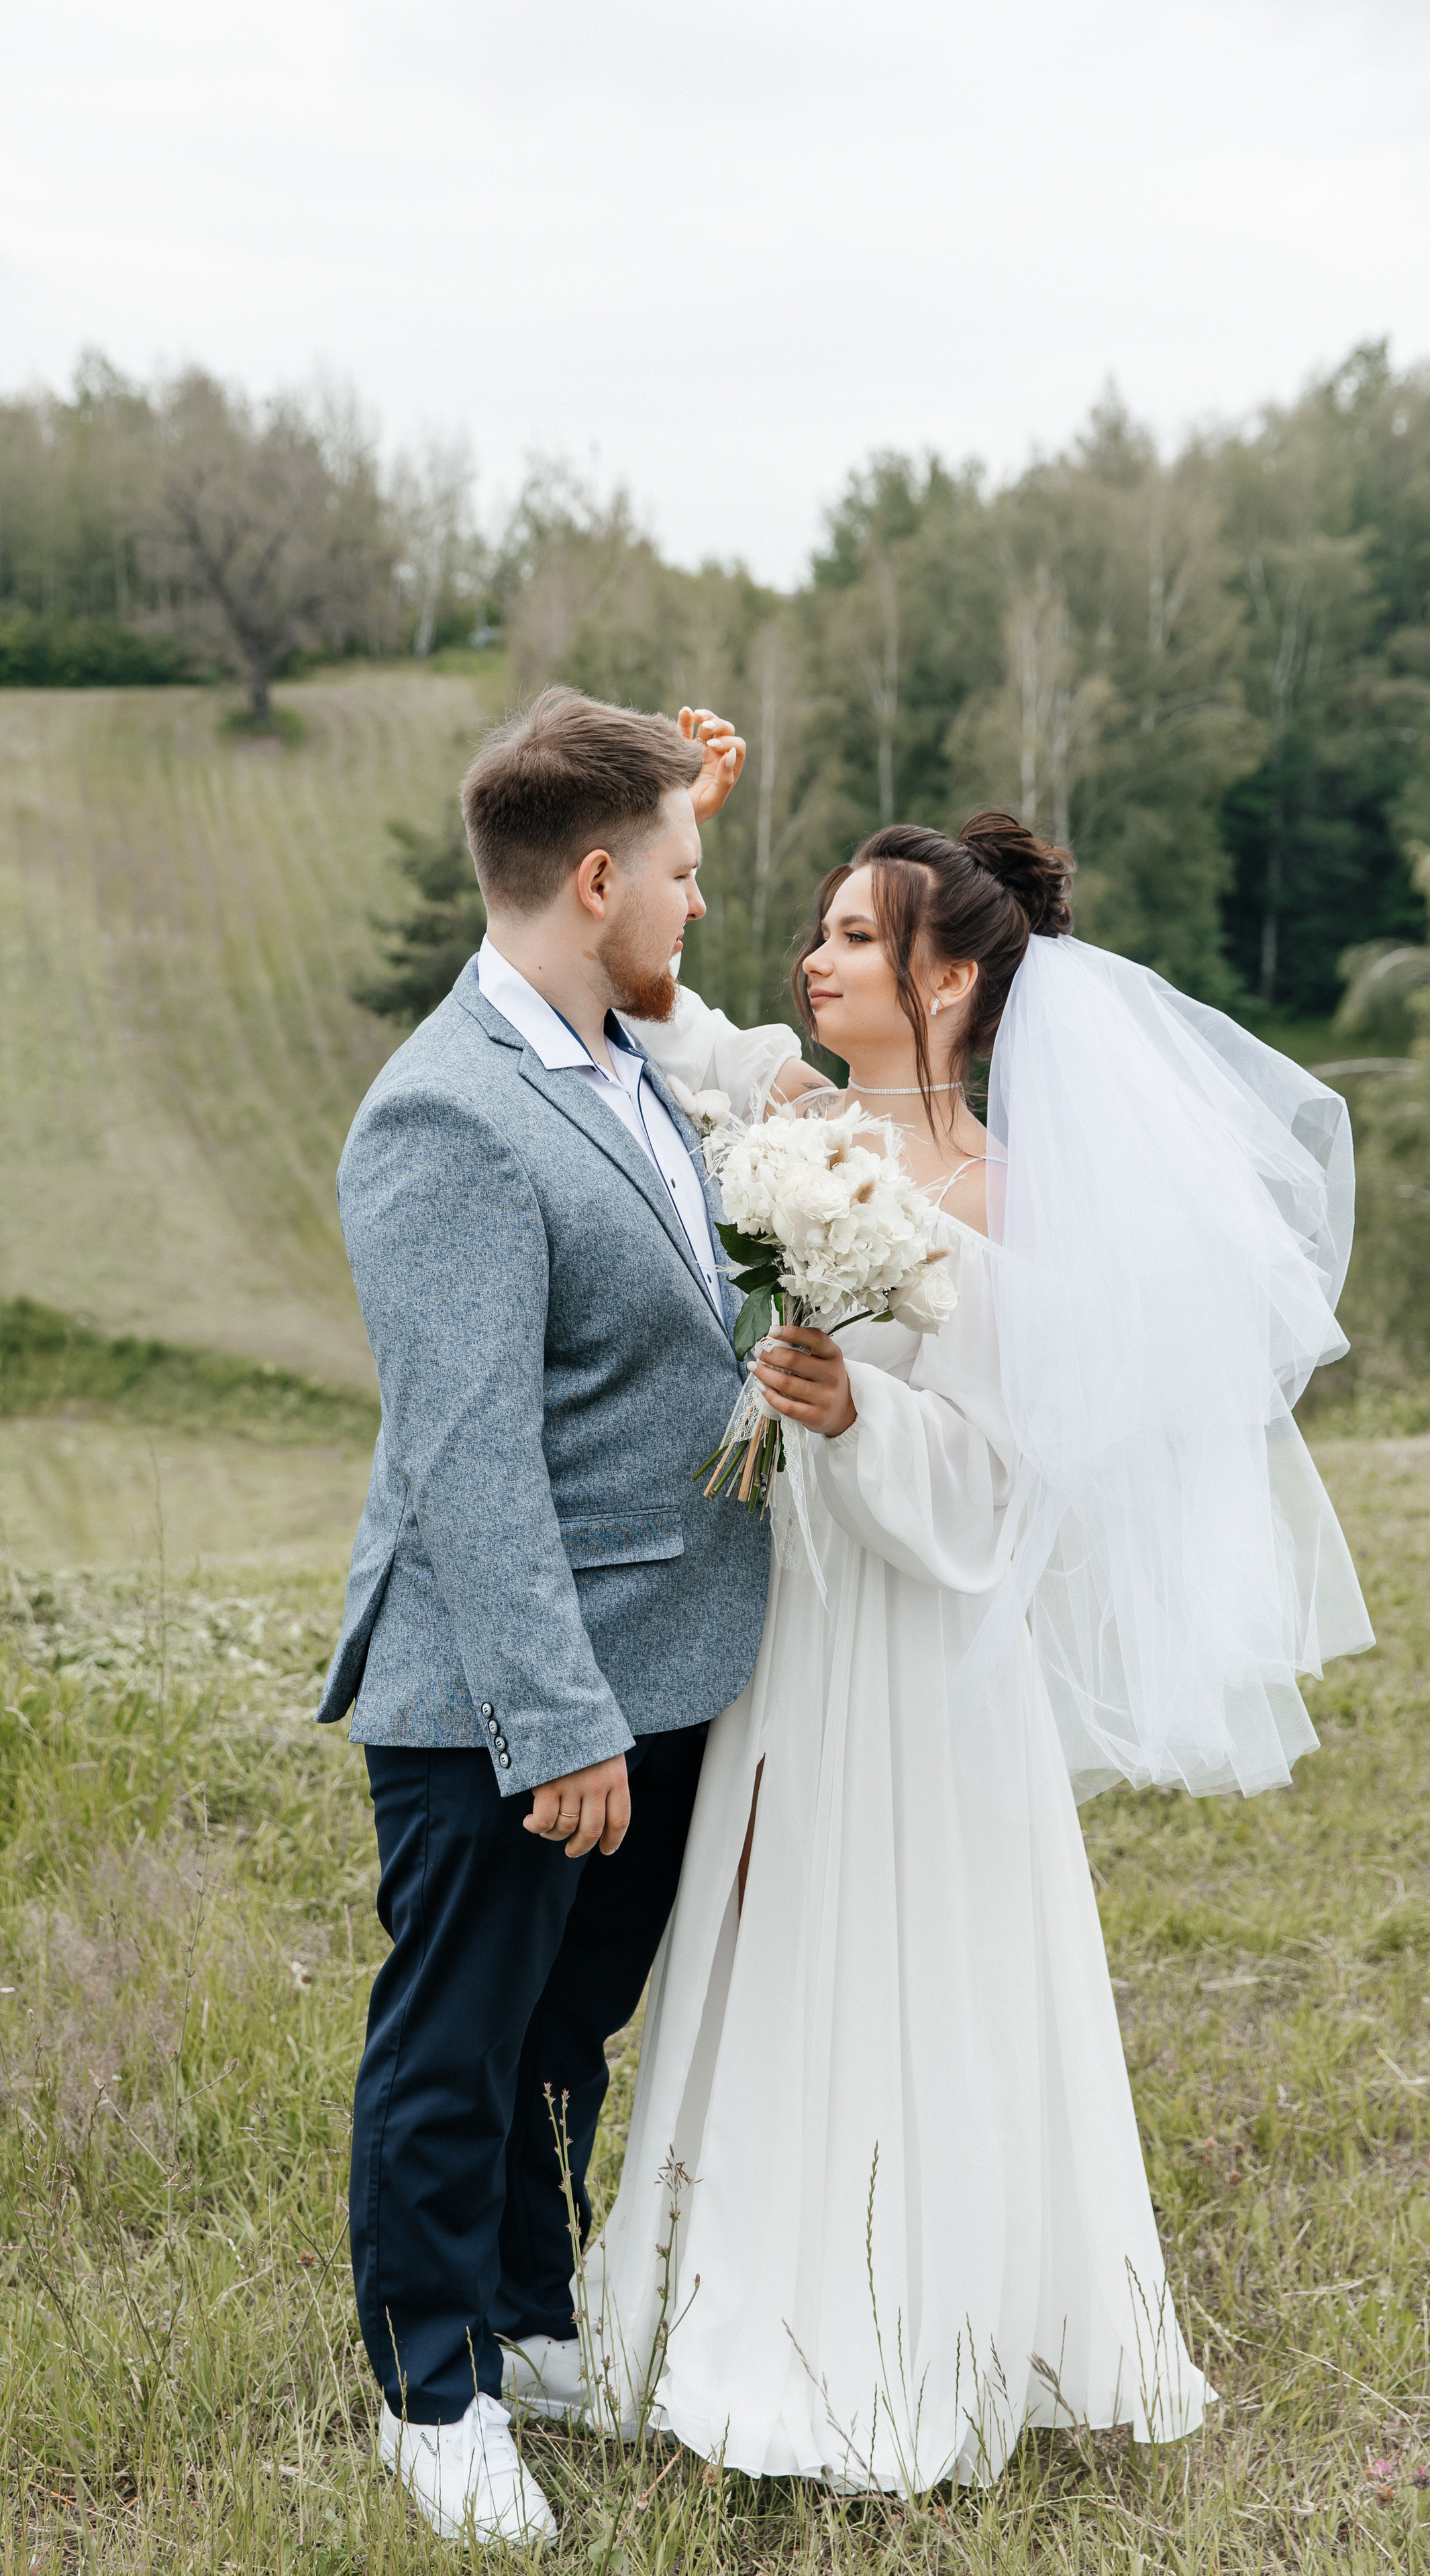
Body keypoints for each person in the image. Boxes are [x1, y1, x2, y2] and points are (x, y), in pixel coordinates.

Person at [538, 814, 1374, 2490]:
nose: (814, 959)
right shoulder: (792, 1124)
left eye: (855, 938)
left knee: (910, 1960)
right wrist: (677, 813)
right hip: (791, 1643)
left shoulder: (1007, 1200)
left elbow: (1007, 1490)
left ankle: (911, 2332)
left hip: (921, 1662)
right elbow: (649, 1004)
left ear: (946, 976)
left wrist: (858, 1420)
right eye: (821, 932)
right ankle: (721, 2306)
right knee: (764, 1949)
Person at [316, 686, 817, 2545]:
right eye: (682, 873)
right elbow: (468, 1460)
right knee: (458, 2036)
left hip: (658, 1674)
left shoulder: (613, 1057)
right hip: (513, 1697)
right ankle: (428, 2386)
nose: (700, 906)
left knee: (563, 2025)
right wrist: (564, 1719)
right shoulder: (446, 1114)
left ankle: (531, 2319)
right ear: (596, 880)